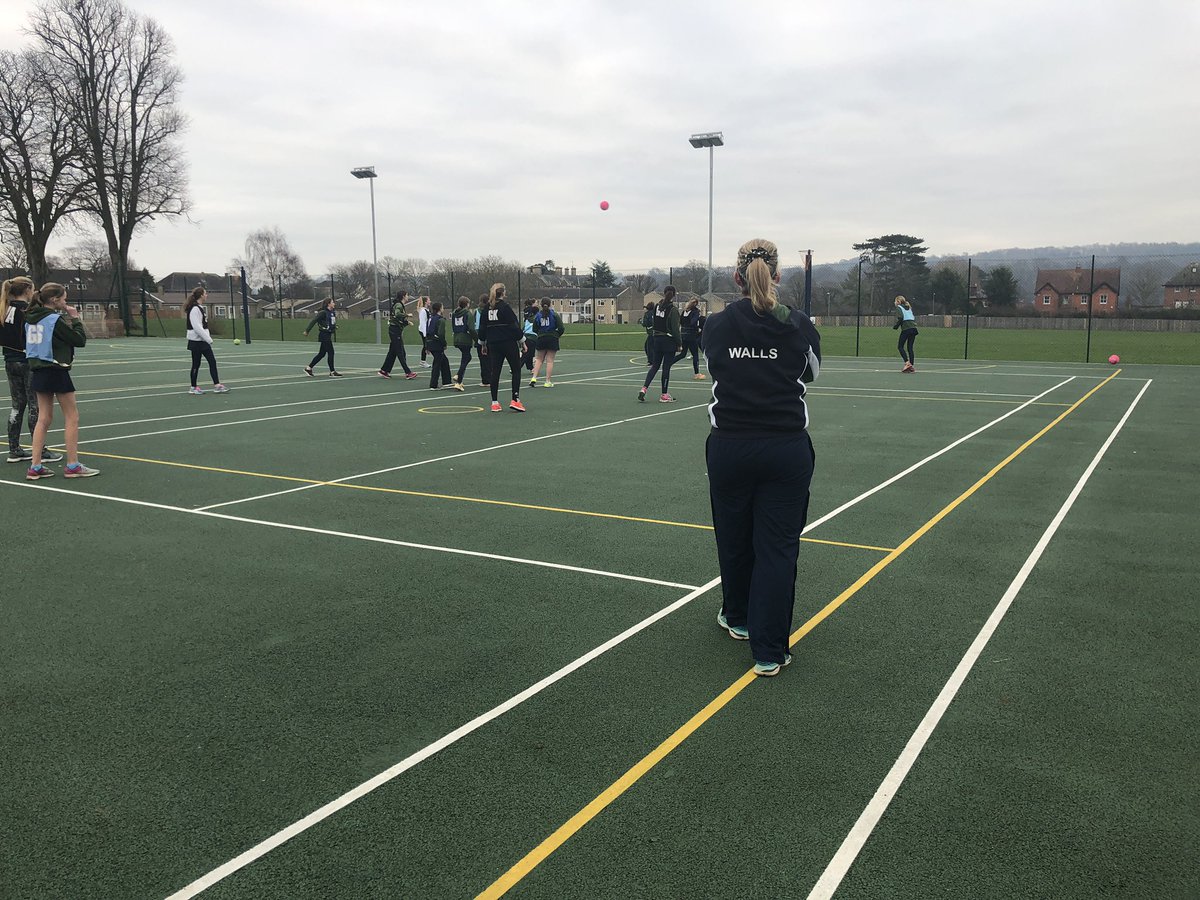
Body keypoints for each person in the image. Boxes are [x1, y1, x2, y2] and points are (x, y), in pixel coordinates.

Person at [701, 238, 820, 677]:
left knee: (733, 534)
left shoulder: (715, 325)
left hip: (730, 446)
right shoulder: (798, 323)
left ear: (737, 277)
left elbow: (715, 366)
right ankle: (768, 650)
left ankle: (738, 618)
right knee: (777, 547)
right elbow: (812, 373)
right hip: (784, 448)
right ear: (778, 276)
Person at [24, 282, 99, 479]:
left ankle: (35, 466)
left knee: (43, 418)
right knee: (72, 416)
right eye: (64, 298)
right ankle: (73, 465)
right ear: (55, 300)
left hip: (38, 369)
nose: (66, 301)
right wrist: (74, 319)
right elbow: (78, 340)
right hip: (56, 368)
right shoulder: (53, 319)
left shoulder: (30, 318)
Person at [2, 276, 62, 465]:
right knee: (35, 405)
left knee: (16, 405)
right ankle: (40, 449)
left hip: (10, 361)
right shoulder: (27, 311)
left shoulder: (5, 309)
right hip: (26, 360)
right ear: (28, 290)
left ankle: (14, 449)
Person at [477, 282, 525, 412]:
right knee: (516, 369)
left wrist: (483, 343)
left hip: (493, 344)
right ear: (503, 293)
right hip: (508, 343)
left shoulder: (487, 308)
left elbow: (482, 328)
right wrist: (522, 341)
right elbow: (514, 326)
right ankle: (515, 399)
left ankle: (494, 402)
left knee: (495, 372)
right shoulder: (505, 307)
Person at [638, 286, 682, 403]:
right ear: (674, 294)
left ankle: (644, 388)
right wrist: (679, 343)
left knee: (655, 366)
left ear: (664, 293)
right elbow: (675, 329)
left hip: (656, 339)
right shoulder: (673, 309)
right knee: (666, 367)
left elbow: (654, 322)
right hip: (668, 340)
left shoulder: (657, 307)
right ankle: (664, 394)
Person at [184, 288, 229, 395]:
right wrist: (208, 339)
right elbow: (197, 327)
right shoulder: (195, 309)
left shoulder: (199, 308)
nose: (206, 295)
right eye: (205, 294)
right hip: (197, 341)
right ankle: (193, 387)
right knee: (196, 364)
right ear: (201, 296)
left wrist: (206, 338)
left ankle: (217, 385)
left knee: (212, 361)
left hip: (202, 341)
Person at [379, 290, 419, 379]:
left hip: (395, 330)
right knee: (400, 352)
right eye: (407, 295)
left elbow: (398, 319)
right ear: (404, 296)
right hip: (395, 331)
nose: (408, 297)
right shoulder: (399, 305)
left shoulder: (400, 305)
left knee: (392, 352)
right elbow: (397, 314)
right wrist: (407, 315)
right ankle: (408, 372)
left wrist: (407, 322)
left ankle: (384, 370)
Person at [303, 298, 342, 376]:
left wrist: (334, 327)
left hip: (328, 334)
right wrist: (307, 330)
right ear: (328, 304)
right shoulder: (323, 313)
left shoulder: (332, 313)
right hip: (324, 335)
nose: (334, 304)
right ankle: (332, 371)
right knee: (331, 352)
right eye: (332, 302)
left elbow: (330, 323)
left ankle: (308, 368)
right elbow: (314, 321)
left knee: (322, 354)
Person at [529, 299, 564, 387]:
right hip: (552, 338)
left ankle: (534, 377)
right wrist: (557, 335)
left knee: (539, 359)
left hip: (541, 338)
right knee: (550, 360)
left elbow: (534, 329)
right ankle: (547, 381)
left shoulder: (538, 315)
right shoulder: (554, 314)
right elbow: (561, 328)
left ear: (541, 305)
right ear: (550, 305)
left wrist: (540, 334)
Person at [672, 297, 706, 380]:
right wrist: (697, 327)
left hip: (683, 334)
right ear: (696, 304)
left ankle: (668, 363)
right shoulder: (695, 312)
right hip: (691, 335)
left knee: (683, 354)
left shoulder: (684, 311)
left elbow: (680, 321)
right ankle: (697, 373)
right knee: (695, 355)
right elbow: (693, 322)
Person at [425, 301, 457, 390]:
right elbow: (441, 334)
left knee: (444, 361)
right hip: (437, 343)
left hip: (430, 342)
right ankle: (433, 384)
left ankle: (446, 382)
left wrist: (427, 345)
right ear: (440, 309)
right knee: (437, 363)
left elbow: (427, 332)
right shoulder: (441, 320)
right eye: (442, 307)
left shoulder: (430, 318)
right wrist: (444, 344)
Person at [451, 296, 475, 389]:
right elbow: (471, 328)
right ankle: (459, 380)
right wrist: (476, 339)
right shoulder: (468, 314)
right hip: (465, 339)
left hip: (457, 338)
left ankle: (458, 375)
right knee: (466, 357)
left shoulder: (454, 314)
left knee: (466, 357)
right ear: (467, 304)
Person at [893, 295, 918, 372]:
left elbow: (900, 318)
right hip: (913, 329)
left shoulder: (899, 307)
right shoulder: (909, 307)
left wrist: (896, 326)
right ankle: (911, 365)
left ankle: (907, 363)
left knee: (900, 346)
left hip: (906, 329)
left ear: (898, 301)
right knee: (910, 348)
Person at [474, 293, 490, 385]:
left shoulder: (477, 311)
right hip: (490, 335)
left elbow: (475, 325)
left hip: (480, 335)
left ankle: (485, 380)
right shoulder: (489, 310)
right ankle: (490, 378)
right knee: (490, 358)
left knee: (483, 359)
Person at [417, 296, 431, 367]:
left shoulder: (426, 310)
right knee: (426, 346)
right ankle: (423, 361)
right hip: (423, 331)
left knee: (427, 346)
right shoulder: (423, 311)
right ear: (425, 302)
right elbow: (423, 323)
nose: (430, 301)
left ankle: (423, 361)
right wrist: (425, 334)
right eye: (429, 300)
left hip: (426, 330)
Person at [640, 300, 655, 365]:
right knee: (653, 347)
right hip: (656, 332)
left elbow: (645, 323)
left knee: (648, 347)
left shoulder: (647, 314)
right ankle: (654, 359)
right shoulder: (655, 313)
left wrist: (641, 322)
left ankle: (651, 360)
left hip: (651, 333)